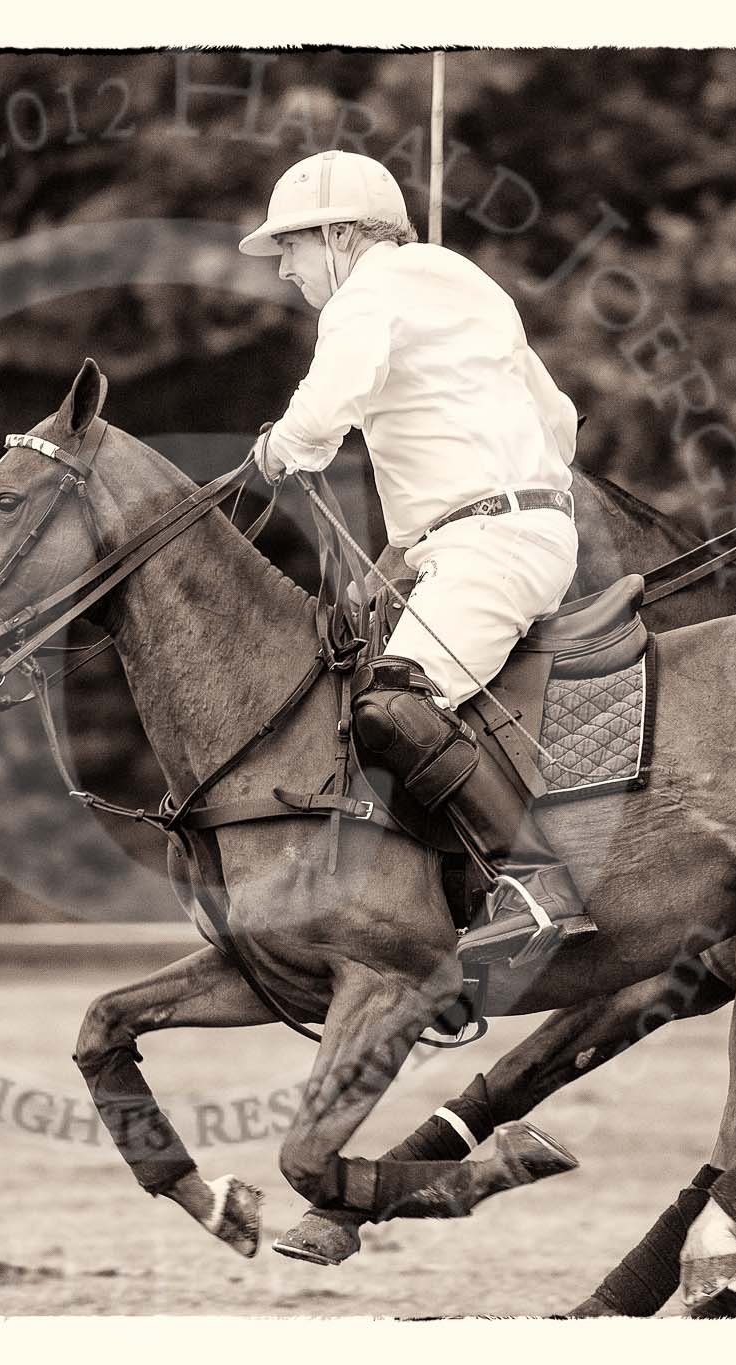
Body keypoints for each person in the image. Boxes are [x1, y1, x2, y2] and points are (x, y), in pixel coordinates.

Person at [239, 149, 590, 966]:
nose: (285, 269)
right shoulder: (471, 285)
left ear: (337, 233)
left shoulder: (368, 293)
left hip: (489, 548)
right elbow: (562, 420)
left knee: (393, 706)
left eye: (290, 246)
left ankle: (537, 885)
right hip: (509, 534)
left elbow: (324, 412)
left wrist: (277, 451)